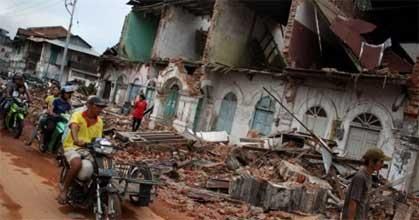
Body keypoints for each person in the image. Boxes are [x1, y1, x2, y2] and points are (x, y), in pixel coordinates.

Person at [57, 95, 107, 204]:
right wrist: (76, 139)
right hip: (72, 146)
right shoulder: (78, 115)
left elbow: (98, 138)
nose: (100, 109)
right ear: (89, 105)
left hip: (89, 148)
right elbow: (74, 126)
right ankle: (64, 189)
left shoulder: (99, 122)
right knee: (77, 163)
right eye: (97, 106)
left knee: (102, 166)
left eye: (101, 107)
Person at [341, 148, 391, 220]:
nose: (382, 165)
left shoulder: (369, 176)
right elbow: (353, 202)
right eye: (381, 161)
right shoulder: (360, 177)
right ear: (371, 162)